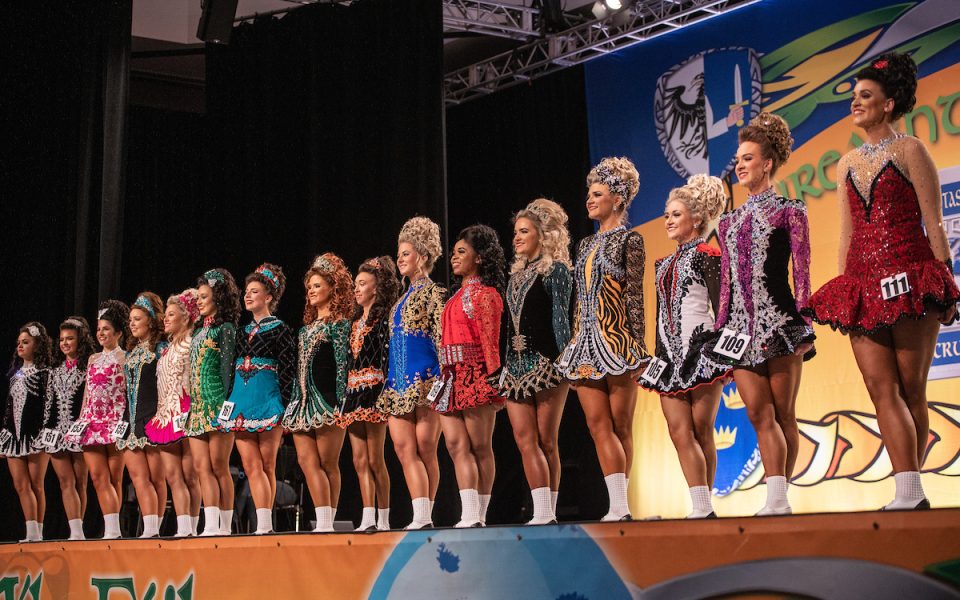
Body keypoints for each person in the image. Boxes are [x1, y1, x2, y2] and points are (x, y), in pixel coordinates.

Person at [804, 52, 959, 510]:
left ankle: (914, 490)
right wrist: (845, 289)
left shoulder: (911, 150)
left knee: (911, 389)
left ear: (888, 104)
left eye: (865, 95)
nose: (855, 103)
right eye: (853, 95)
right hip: (864, 285)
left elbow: (934, 221)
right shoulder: (846, 163)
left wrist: (945, 282)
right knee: (880, 389)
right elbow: (847, 233)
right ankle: (905, 489)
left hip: (910, 280)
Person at [713, 112, 815, 516]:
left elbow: (802, 271)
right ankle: (776, 497)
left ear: (767, 163)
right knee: (758, 412)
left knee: (783, 412)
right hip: (739, 332)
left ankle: (778, 498)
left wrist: (806, 322)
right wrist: (719, 331)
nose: (740, 166)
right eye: (738, 159)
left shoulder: (790, 210)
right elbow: (726, 284)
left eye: (748, 158)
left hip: (781, 325)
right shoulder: (727, 222)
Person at [560, 156, 647, 522]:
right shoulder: (583, 245)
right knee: (598, 426)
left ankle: (621, 506)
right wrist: (574, 342)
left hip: (619, 342)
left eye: (597, 194)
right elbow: (579, 301)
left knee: (621, 425)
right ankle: (617, 504)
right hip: (585, 347)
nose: (589, 200)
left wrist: (639, 348)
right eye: (589, 194)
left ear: (618, 199)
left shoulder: (631, 240)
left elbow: (634, 297)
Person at [645, 175, 730, 519]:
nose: (668, 220)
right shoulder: (662, 264)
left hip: (701, 351)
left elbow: (722, 307)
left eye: (675, 214)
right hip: (668, 357)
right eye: (666, 215)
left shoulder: (708, 254)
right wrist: (656, 357)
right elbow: (659, 316)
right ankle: (700, 505)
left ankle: (704, 507)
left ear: (696, 219)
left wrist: (723, 354)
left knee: (701, 430)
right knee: (679, 431)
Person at [502, 199, 573, 525]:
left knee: (547, 441)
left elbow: (561, 321)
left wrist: (565, 364)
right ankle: (540, 510)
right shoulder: (515, 276)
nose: (517, 238)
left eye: (524, 232)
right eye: (516, 232)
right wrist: (504, 366)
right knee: (524, 441)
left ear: (542, 235)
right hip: (515, 367)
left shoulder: (556, 271)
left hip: (547, 366)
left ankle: (548, 513)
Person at [376, 216, 446, 529]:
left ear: (423, 255)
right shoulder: (398, 302)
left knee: (426, 448)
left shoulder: (435, 294)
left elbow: (442, 340)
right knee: (404, 449)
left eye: (406, 253)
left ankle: (425, 516)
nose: (400, 259)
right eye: (399, 254)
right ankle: (420, 515)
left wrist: (442, 381)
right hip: (397, 383)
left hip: (426, 381)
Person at [435, 225, 506, 528]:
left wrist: (494, 380)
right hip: (449, 378)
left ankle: (481, 515)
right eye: (453, 253)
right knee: (455, 445)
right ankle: (468, 513)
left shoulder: (487, 295)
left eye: (461, 252)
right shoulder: (453, 297)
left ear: (479, 258)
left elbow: (491, 342)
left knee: (480, 447)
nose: (454, 257)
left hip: (475, 375)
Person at [221, 263, 295, 534]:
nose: (248, 296)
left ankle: (265, 524)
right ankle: (263, 524)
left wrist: (285, 407)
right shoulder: (241, 332)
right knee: (251, 465)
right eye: (246, 291)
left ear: (269, 297)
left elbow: (288, 371)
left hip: (268, 401)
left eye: (254, 291)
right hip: (241, 402)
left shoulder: (280, 330)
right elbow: (231, 372)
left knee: (268, 465)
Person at [282, 253, 352, 532]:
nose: (311, 291)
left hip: (328, 402)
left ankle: (327, 523)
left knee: (328, 463)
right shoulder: (305, 330)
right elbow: (299, 369)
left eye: (317, 286)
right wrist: (293, 402)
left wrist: (341, 402)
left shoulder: (339, 324)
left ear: (333, 289)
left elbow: (342, 366)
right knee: (306, 461)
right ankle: (323, 521)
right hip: (302, 403)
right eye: (309, 287)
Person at [340, 257, 400, 531]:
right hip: (354, 393)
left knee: (376, 459)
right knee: (359, 459)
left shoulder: (383, 319)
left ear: (376, 288)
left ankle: (384, 518)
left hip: (375, 392)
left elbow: (388, 357)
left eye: (362, 284)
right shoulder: (354, 322)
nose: (357, 289)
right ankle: (367, 516)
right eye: (356, 284)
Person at [186, 268, 241, 535]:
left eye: (204, 296)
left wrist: (227, 406)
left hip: (218, 404)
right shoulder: (198, 331)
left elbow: (227, 369)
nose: (199, 301)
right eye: (197, 297)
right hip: (197, 408)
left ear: (218, 297)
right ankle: (210, 525)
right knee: (201, 467)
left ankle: (225, 527)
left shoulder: (225, 329)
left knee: (219, 466)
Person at [68, 300, 129, 539]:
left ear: (118, 332)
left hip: (115, 422)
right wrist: (82, 419)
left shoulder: (125, 358)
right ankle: (111, 529)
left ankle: (113, 530)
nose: (101, 333)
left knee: (115, 478)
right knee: (97, 477)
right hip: (92, 422)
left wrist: (126, 423)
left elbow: (129, 393)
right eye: (99, 329)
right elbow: (88, 393)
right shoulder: (93, 359)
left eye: (106, 329)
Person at [146, 289, 203, 536]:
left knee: (191, 476)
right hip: (165, 417)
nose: (165, 319)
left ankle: (194, 528)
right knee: (172, 476)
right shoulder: (166, 349)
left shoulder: (193, 343)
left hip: (186, 413)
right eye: (166, 315)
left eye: (171, 314)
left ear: (186, 317)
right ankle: (183, 527)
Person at [117, 292, 167, 538]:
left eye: (137, 319)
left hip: (153, 419)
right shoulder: (130, 353)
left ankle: (155, 530)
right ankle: (149, 529)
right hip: (131, 421)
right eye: (130, 320)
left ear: (151, 320)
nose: (132, 324)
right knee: (138, 478)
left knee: (157, 479)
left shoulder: (161, 349)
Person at [1, 322, 53, 542]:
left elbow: (49, 406)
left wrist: (46, 432)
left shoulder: (45, 373)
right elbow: (9, 407)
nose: (20, 346)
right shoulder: (15, 374)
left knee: (36, 484)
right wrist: (4, 434)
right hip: (13, 436)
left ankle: (36, 534)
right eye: (19, 343)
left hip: (35, 435)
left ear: (37, 345)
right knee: (21, 484)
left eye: (26, 342)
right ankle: (31, 531)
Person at [46, 316, 96, 540]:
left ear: (80, 340)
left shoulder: (88, 368)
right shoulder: (54, 371)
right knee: (66, 482)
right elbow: (48, 404)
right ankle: (74, 531)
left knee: (81, 482)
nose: (65, 343)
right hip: (57, 433)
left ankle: (80, 531)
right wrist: (46, 430)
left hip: (79, 432)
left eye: (70, 339)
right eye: (62, 339)